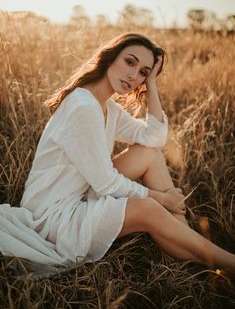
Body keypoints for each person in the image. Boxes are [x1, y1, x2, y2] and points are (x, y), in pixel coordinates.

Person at [0, 32, 235, 276]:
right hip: (53, 217)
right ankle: (226, 262)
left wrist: (152, 84)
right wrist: (161, 199)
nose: (134, 76)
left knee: (150, 154)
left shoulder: (107, 108)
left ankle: (184, 238)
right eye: (130, 62)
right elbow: (105, 184)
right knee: (149, 208)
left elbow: (154, 138)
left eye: (143, 72)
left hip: (79, 194)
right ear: (110, 57)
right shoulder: (83, 106)